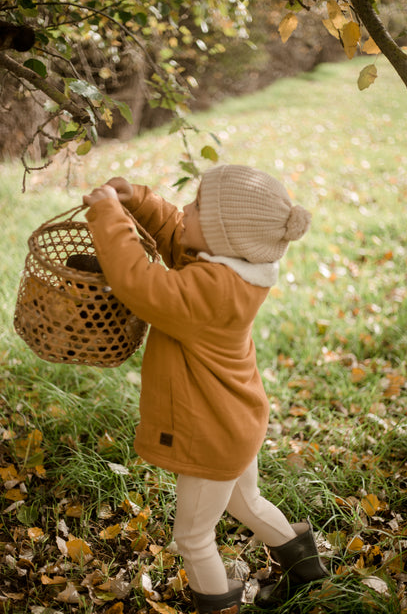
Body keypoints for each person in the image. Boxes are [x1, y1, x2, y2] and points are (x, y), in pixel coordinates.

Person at [83, 164, 328, 614]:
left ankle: (220, 607)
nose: (186, 210)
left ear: (222, 238)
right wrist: (136, 201)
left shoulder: (211, 291)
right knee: (247, 502)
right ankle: (307, 570)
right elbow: (181, 235)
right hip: (236, 420)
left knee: (193, 538)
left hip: (209, 432)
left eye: (197, 208)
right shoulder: (234, 270)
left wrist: (108, 217)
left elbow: (139, 282)